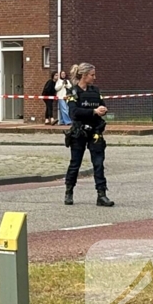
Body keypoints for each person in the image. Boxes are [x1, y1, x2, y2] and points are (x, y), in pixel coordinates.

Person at [64, 62, 113, 207]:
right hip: (79, 132)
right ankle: (69, 192)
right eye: (92, 75)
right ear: (84, 76)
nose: (94, 77)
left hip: (95, 131)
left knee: (98, 164)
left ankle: (102, 195)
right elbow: (74, 112)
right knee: (75, 163)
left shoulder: (95, 91)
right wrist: (93, 111)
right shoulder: (73, 92)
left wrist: (103, 109)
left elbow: (102, 104)